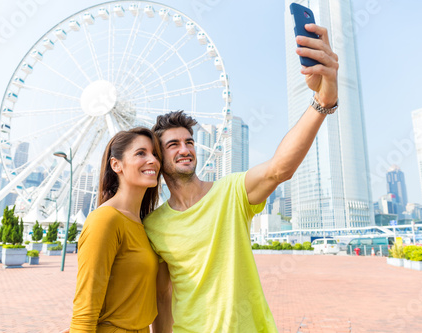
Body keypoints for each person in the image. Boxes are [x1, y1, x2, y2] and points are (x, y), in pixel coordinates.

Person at [145, 23, 339, 332]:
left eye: (189, 142)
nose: (185, 149)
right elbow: (161, 295)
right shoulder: (153, 225)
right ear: (158, 157)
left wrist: (322, 103)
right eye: (173, 145)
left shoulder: (231, 191)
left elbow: (279, 168)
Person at [69, 127, 162, 333]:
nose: (153, 160)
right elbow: (85, 309)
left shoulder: (143, 224)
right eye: (141, 153)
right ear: (116, 164)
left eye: (155, 154)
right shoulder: (105, 219)